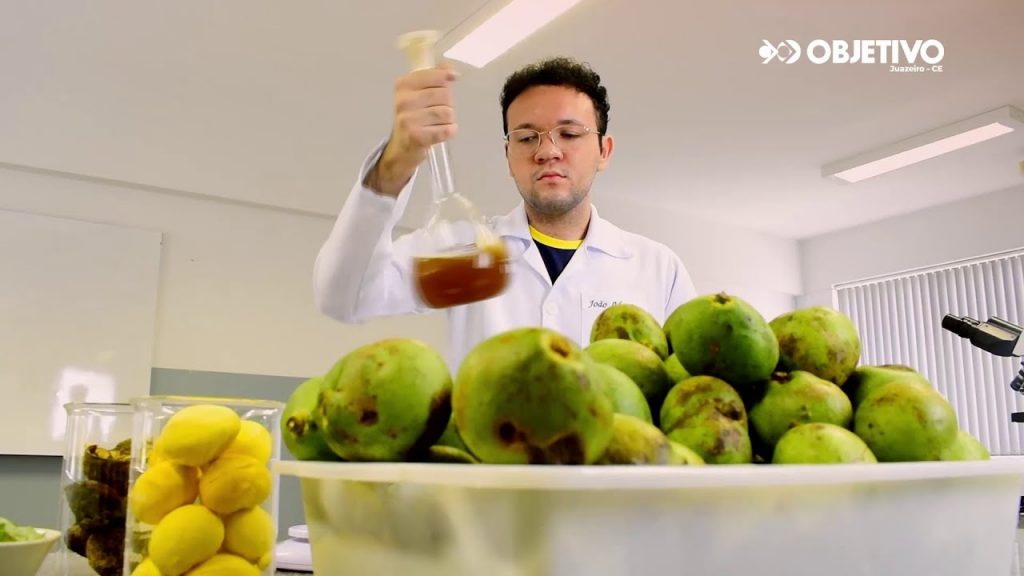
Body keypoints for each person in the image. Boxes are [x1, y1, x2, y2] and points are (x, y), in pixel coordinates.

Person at [314, 56, 696, 369]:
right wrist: (398, 160)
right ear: (508, 156)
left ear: (605, 151)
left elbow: (689, 382)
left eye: (569, 134)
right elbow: (344, 296)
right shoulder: (462, 248)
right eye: (527, 137)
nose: (547, 151)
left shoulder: (657, 267)